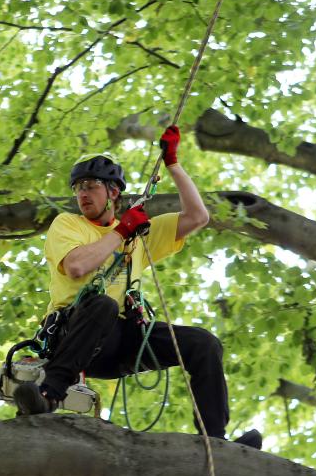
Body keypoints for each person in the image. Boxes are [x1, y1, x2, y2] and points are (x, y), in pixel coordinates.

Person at [13, 126, 262, 450]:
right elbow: (76, 266)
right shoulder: (69, 224)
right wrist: (121, 233)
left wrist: (173, 163)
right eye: (78, 189)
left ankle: (214, 441)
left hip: (122, 340)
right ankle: (49, 393)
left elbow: (198, 216)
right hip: (75, 334)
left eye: (90, 187)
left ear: (113, 193)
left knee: (204, 344)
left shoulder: (137, 234)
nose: (82, 195)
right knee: (102, 304)